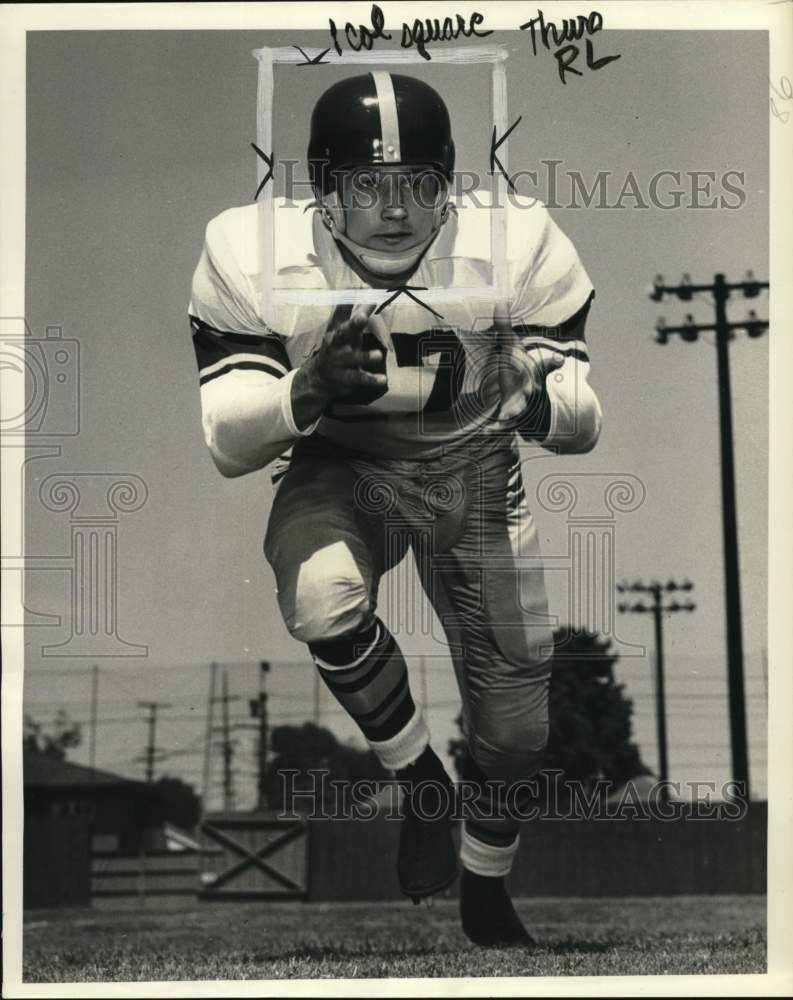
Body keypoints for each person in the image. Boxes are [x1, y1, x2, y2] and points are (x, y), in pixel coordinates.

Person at [189, 71, 601, 946]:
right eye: (365, 184)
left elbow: (583, 419)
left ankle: (485, 888)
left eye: (417, 182)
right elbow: (229, 441)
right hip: (345, 463)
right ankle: (418, 779)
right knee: (318, 596)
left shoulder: (516, 240)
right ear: (324, 193)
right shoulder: (248, 251)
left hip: (478, 474)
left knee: (517, 729)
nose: (394, 207)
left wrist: (534, 399)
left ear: (448, 186)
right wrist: (301, 390)